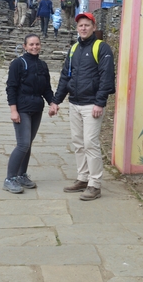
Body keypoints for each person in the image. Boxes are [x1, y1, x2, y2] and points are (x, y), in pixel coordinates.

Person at [49, 12, 115, 201]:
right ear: (77, 28)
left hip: (91, 105)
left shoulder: (101, 48)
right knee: (78, 143)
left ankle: (95, 184)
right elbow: (65, 77)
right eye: (80, 26)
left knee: (90, 143)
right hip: (75, 104)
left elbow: (106, 77)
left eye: (87, 25)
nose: (83, 28)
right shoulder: (74, 49)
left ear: (93, 27)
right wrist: (56, 101)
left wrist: (100, 102)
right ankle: (83, 178)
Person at [4, 33, 54, 194]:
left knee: (28, 144)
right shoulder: (18, 64)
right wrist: (13, 110)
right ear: (25, 46)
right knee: (23, 144)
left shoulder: (42, 65)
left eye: (37, 44)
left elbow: (46, 89)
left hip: (36, 109)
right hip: (22, 108)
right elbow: (11, 87)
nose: (34, 47)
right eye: (31, 44)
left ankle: (21, 175)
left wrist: (52, 102)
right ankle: (9, 179)